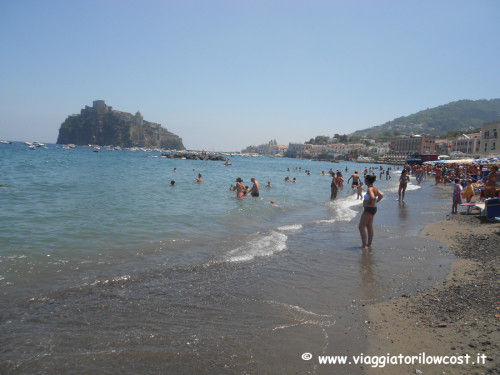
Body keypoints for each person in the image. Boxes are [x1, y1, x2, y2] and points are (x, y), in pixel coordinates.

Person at [358, 175, 383, 249]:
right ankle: (369, 244)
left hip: (369, 209)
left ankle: (364, 245)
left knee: (361, 227)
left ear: (367, 181)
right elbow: (381, 196)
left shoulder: (370, 189)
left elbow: (372, 197)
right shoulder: (375, 187)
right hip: (373, 208)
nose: (364, 181)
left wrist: (369, 202)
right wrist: (375, 202)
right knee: (369, 226)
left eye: (365, 180)